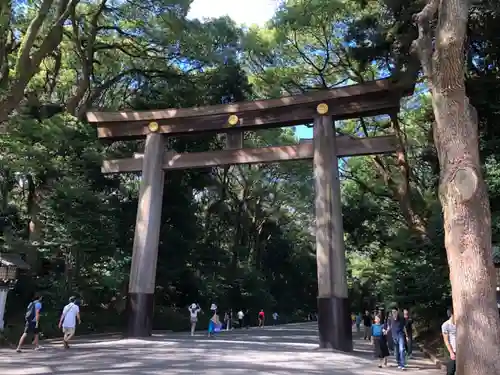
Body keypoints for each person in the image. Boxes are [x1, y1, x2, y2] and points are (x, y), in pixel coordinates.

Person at [442, 307, 456, 375]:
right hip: (452, 351)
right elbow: (446, 340)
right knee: (450, 372)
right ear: (452, 314)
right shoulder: (446, 325)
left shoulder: (462, 323)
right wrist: (451, 352)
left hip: (463, 351)